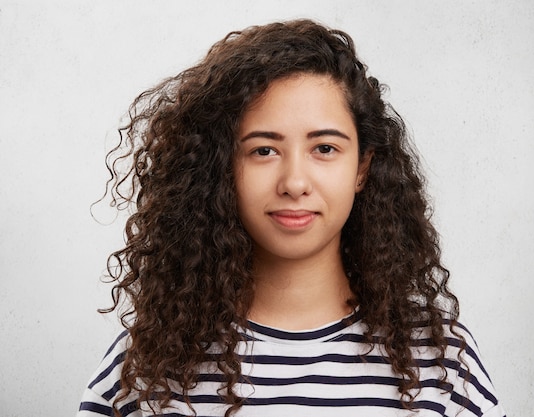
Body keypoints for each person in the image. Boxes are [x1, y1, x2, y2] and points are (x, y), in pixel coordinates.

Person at [77, 19, 505, 417]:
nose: (295, 182)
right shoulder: (144, 369)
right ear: (222, 169)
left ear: (362, 168)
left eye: (324, 149)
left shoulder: (441, 367)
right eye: (263, 150)